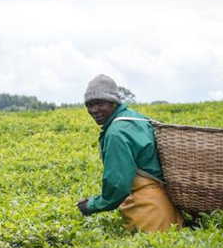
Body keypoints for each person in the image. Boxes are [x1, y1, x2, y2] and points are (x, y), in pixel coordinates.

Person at [77, 74, 183, 233]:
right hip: (166, 204)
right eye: (89, 105)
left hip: (147, 209)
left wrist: (91, 205)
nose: (93, 110)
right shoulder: (136, 118)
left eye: (99, 103)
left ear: (114, 102)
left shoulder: (116, 133)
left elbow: (117, 185)